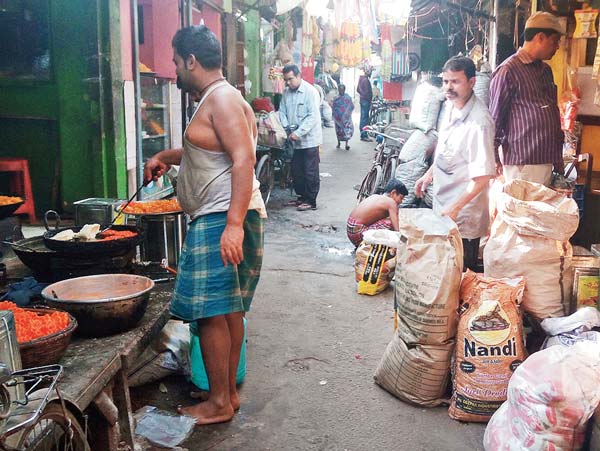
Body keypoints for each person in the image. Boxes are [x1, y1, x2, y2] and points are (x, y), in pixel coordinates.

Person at [143, 25, 266, 425]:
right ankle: (226, 395)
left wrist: (232, 226)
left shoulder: (223, 99)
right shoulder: (219, 99)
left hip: (221, 217)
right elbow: (210, 150)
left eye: (177, 62)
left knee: (211, 313)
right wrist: (169, 155)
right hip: (226, 215)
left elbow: (243, 158)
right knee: (228, 312)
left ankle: (216, 403)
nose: (176, 70)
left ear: (192, 60)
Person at [414, 56, 495, 271]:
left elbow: (482, 178)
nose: (449, 87)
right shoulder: (451, 106)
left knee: (459, 275)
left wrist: (455, 209)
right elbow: (445, 147)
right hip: (445, 206)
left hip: (463, 217)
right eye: (446, 81)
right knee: (441, 272)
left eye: (455, 82)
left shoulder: (480, 123)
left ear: (471, 82)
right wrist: (428, 174)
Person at [489, 11, 564, 186]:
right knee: (524, 212)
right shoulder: (508, 70)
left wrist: (557, 158)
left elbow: (551, 111)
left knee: (539, 212)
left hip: (545, 158)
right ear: (540, 37)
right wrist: (493, 157)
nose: (557, 47)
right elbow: (495, 118)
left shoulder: (546, 71)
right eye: (555, 41)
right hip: (523, 162)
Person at [279, 64, 323, 211]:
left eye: (291, 79)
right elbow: (282, 112)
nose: (288, 82)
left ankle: (311, 201)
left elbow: (313, 117)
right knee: (297, 170)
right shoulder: (286, 93)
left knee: (310, 171)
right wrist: (287, 128)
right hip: (293, 139)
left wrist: (298, 133)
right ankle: (301, 197)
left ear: (298, 76)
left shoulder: (310, 92)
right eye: (286, 80)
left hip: (309, 139)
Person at [347, 179, 408, 247]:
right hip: (357, 233)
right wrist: (406, 242)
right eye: (401, 198)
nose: (401, 201)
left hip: (351, 229)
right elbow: (397, 229)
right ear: (393, 193)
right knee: (389, 223)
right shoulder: (391, 203)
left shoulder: (376, 196)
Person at [332, 84, 354, 150]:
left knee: (346, 130)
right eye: (340, 89)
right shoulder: (336, 98)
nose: (341, 91)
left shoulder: (348, 97)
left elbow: (351, 106)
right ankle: (338, 143)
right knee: (338, 131)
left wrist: (347, 114)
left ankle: (347, 144)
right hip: (338, 118)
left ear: (344, 90)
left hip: (346, 118)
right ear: (338, 90)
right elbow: (334, 107)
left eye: (342, 89)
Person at [357, 65, 373, 142]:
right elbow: (367, 93)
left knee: (363, 117)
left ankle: (363, 133)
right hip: (365, 101)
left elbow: (358, 90)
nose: (371, 73)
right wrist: (368, 99)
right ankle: (364, 135)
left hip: (363, 100)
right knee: (365, 118)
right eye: (371, 72)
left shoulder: (361, 79)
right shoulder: (365, 80)